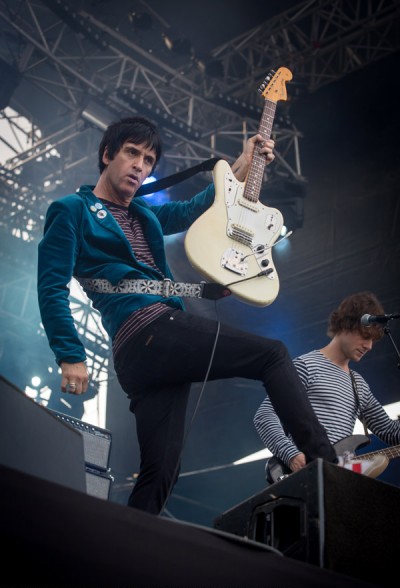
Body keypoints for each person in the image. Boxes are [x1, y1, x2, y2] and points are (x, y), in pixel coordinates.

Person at [37, 115, 338, 515]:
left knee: (161, 471)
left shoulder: (144, 214)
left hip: (147, 354)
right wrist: (70, 353)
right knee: (272, 355)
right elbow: (51, 285)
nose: (140, 166)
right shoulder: (73, 210)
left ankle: (122, 555)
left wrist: (243, 162)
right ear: (107, 155)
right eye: (131, 153)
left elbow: (199, 208)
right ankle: (329, 469)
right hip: (146, 330)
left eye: (147, 159)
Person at [254, 291, 400, 482]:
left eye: (373, 340)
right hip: (303, 477)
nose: (369, 346)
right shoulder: (306, 366)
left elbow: (391, 433)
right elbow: (265, 415)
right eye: (365, 336)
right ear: (345, 325)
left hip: (338, 481)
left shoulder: (359, 385)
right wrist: (291, 455)